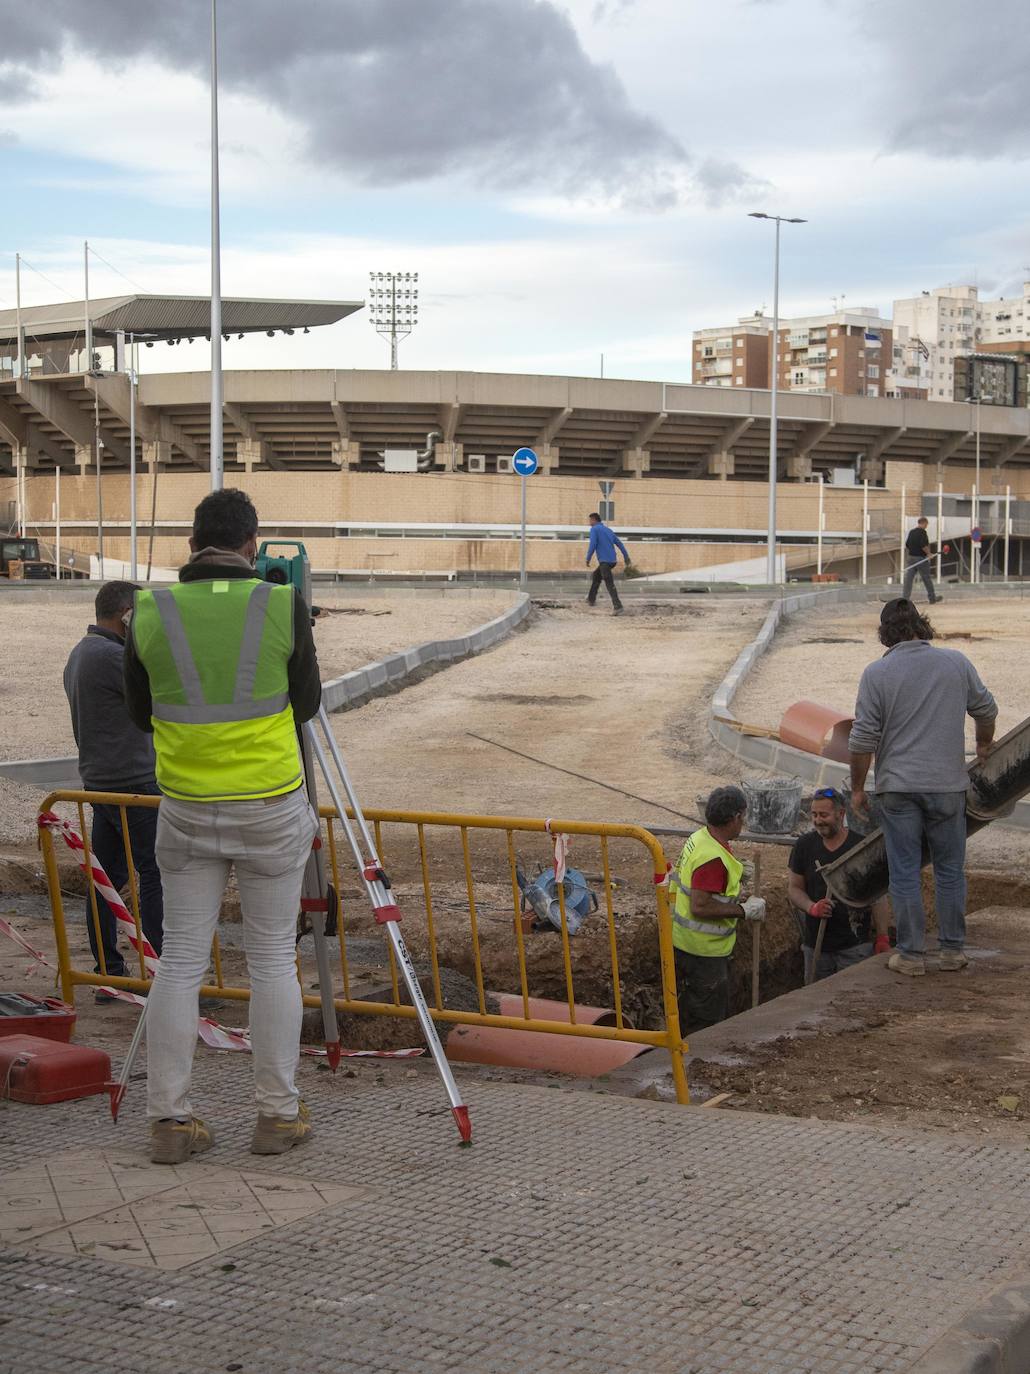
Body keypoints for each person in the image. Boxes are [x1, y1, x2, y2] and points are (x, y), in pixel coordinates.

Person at [124, 488, 322, 1164]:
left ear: (190, 543)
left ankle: (170, 1123)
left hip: (184, 806)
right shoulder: (280, 603)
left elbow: (138, 712)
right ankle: (276, 1116)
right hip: (270, 804)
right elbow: (308, 702)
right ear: (251, 544)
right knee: (271, 959)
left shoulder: (149, 608)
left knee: (179, 961)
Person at [848, 598, 997, 977]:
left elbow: (862, 739)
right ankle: (951, 951)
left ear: (886, 634)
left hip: (897, 788)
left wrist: (857, 788)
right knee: (949, 870)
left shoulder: (876, 673)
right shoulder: (956, 663)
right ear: (921, 624)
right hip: (947, 787)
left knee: (904, 871)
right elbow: (987, 709)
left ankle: (912, 956)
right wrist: (983, 743)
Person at [62, 580, 163, 1000]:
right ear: (126, 614)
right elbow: (161, 697)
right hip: (133, 783)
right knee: (156, 874)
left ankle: (109, 972)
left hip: (100, 783)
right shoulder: (112, 656)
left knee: (107, 880)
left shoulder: (81, 653)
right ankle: (165, 973)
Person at [670, 785, 766, 1030]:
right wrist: (744, 911)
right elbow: (700, 906)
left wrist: (738, 870)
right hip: (704, 953)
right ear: (735, 817)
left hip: (683, 942)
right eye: (742, 817)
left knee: (689, 1010)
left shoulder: (700, 837)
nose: (742, 822)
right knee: (705, 1021)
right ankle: (699, 1063)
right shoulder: (713, 859)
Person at [787, 788, 890, 983]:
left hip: (854, 947)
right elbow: (794, 888)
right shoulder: (804, 846)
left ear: (841, 814)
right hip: (816, 947)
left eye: (824, 815)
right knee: (813, 1005)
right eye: (814, 815)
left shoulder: (860, 848)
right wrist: (812, 907)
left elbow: (878, 897)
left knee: (851, 1002)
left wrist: (883, 937)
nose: (818, 820)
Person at [585, 512, 629, 614]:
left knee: (609, 583)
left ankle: (618, 606)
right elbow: (619, 543)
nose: (589, 523)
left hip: (605, 561)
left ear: (594, 520)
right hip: (612, 561)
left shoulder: (594, 529)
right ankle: (591, 599)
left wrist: (588, 558)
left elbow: (593, 544)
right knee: (596, 576)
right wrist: (626, 556)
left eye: (590, 520)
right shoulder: (608, 530)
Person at [902, 517, 941, 604]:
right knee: (926, 578)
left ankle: (905, 599)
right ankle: (932, 598)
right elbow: (923, 545)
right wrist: (929, 554)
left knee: (908, 579)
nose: (927, 526)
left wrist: (912, 553)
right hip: (921, 559)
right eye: (926, 524)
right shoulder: (923, 532)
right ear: (923, 523)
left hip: (911, 558)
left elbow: (907, 544)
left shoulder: (912, 532)